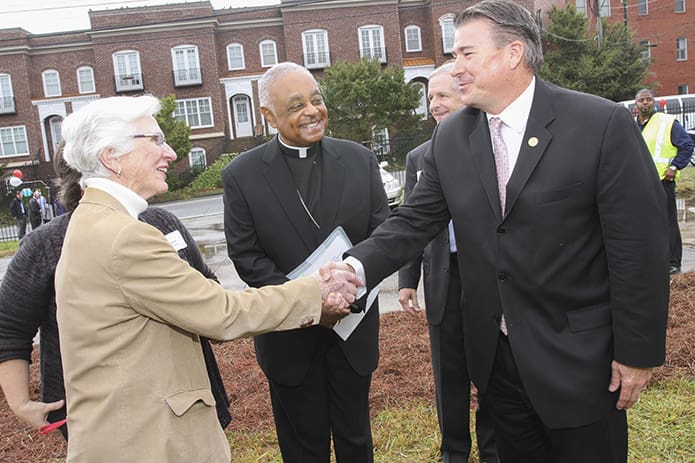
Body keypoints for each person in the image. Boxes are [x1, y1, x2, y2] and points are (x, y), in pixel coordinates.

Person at [343, 1, 669, 461]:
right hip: (497, 362)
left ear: (513, 53)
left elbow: (639, 248)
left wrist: (638, 352)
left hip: (581, 360)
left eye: (465, 55)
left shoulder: (599, 124)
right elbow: (413, 221)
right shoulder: (452, 136)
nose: (455, 69)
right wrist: (353, 267)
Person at [54, 94, 359, 463]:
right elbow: (220, 313)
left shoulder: (95, 220)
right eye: (155, 140)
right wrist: (317, 290)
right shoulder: (123, 236)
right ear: (111, 156)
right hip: (146, 441)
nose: (169, 153)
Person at [0, 147, 232, 440]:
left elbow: (207, 287)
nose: (167, 154)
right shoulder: (46, 244)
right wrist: (20, 402)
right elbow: (9, 328)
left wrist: (217, 318)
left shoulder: (163, 224)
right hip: (102, 418)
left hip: (186, 401)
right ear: (106, 167)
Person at [222, 61, 390, 463]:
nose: (312, 111)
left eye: (317, 100)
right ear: (268, 116)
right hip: (289, 335)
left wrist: (347, 291)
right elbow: (246, 257)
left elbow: (383, 235)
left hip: (353, 325)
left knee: (356, 441)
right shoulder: (241, 175)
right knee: (302, 447)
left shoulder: (359, 159)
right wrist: (310, 303)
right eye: (296, 105)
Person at [398, 62, 497, 463]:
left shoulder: (494, 146)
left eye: (442, 96)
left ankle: (494, 448)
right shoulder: (418, 157)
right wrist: (407, 280)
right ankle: (453, 451)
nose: (434, 106)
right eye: (430, 99)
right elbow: (411, 222)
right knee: (448, 373)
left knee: (493, 369)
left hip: (489, 277)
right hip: (442, 278)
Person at [634, 88, 694, 275]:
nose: (645, 103)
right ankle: (652, 258)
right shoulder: (633, 125)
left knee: (667, 222)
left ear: (654, 102)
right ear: (636, 105)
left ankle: (673, 261)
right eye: (641, 100)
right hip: (641, 182)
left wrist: (675, 166)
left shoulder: (666, 123)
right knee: (644, 222)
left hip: (662, 181)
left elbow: (686, 145)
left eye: (648, 99)